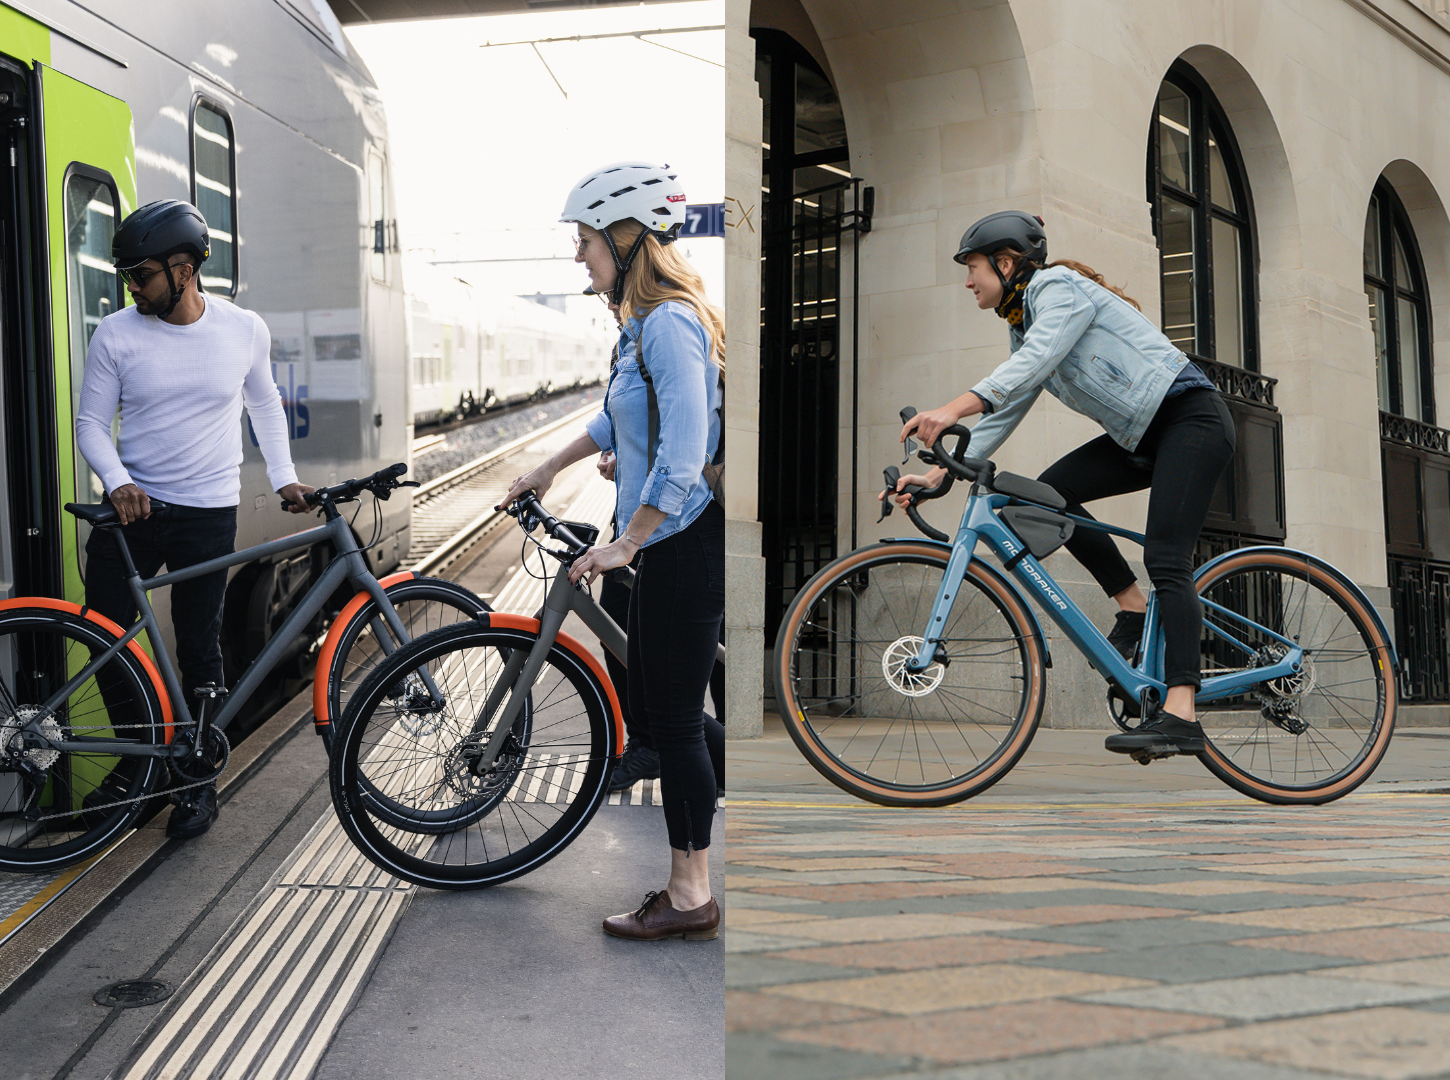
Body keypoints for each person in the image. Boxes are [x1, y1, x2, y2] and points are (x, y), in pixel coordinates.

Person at [891, 210, 1235, 758]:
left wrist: (951, 407)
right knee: (1049, 496)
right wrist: (939, 473)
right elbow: (1013, 401)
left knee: (1169, 559)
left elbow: (1036, 361)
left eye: (973, 267)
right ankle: (1133, 608)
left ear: (1006, 264)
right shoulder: (1021, 323)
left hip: (1190, 419)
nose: (967, 281)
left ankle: (1182, 712)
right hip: (1142, 436)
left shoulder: (1057, 288)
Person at [499, 161, 724, 940]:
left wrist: (629, 541)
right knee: (670, 717)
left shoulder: (670, 323)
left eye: (587, 240)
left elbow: (688, 448)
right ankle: (688, 867)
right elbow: (615, 420)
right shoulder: (638, 329)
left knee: (676, 727)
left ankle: (691, 898)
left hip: (679, 543)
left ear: (628, 239)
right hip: (662, 542)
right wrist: (545, 468)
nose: (579, 256)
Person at [76, 200, 314, 839]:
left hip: (209, 511)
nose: (133, 287)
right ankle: (136, 766)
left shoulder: (243, 330)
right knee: (107, 639)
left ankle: (195, 784)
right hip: (135, 511)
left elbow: (264, 400)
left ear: (185, 270)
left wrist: (284, 477)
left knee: (200, 646)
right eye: (128, 275)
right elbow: (90, 423)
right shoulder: (117, 334)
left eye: (144, 275)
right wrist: (119, 482)